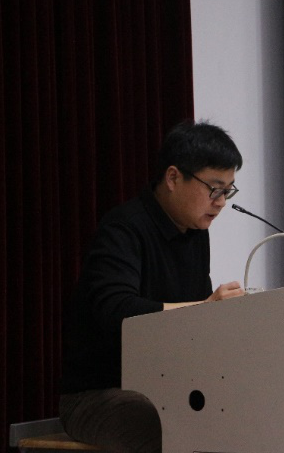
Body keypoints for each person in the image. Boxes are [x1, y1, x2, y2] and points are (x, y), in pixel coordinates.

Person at [60, 120, 246, 453]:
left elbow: (195, 324)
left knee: (248, 411)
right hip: (98, 395)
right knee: (172, 429)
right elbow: (118, 312)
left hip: (170, 386)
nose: (221, 202)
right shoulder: (123, 228)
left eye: (228, 191)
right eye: (214, 188)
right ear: (173, 177)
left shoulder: (195, 234)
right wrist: (205, 308)